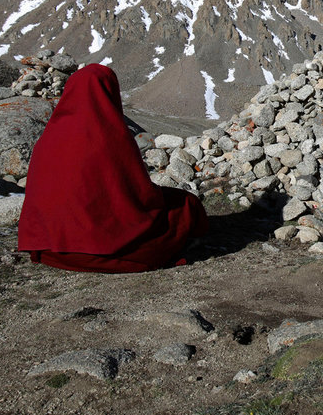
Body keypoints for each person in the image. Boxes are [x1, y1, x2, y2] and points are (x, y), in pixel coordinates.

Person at [18, 64, 208, 273]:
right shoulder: (111, 135)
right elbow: (139, 195)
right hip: (104, 251)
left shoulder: (48, 138)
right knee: (187, 205)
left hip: (49, 249)